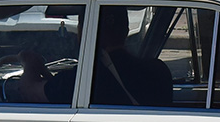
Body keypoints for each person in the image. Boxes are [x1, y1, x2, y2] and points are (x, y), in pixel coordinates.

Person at [17, 6, 172, 107]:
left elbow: (29, 91)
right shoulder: (158, 71)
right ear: (125, 30)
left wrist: (30, 64)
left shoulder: (80, 81)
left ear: (82, 33)